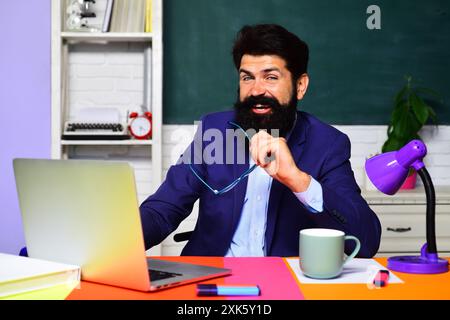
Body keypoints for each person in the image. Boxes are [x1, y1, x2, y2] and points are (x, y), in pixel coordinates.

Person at [140, 24, 381, 257]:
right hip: (211, 279)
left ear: (300, 85)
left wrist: (298, 180)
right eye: (247, 78)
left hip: (284, 283)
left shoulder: (327, 144)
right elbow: (163, 209)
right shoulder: (215, 132)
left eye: (271, 77)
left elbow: (366, 240)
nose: (256, 90)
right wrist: (116, 245)